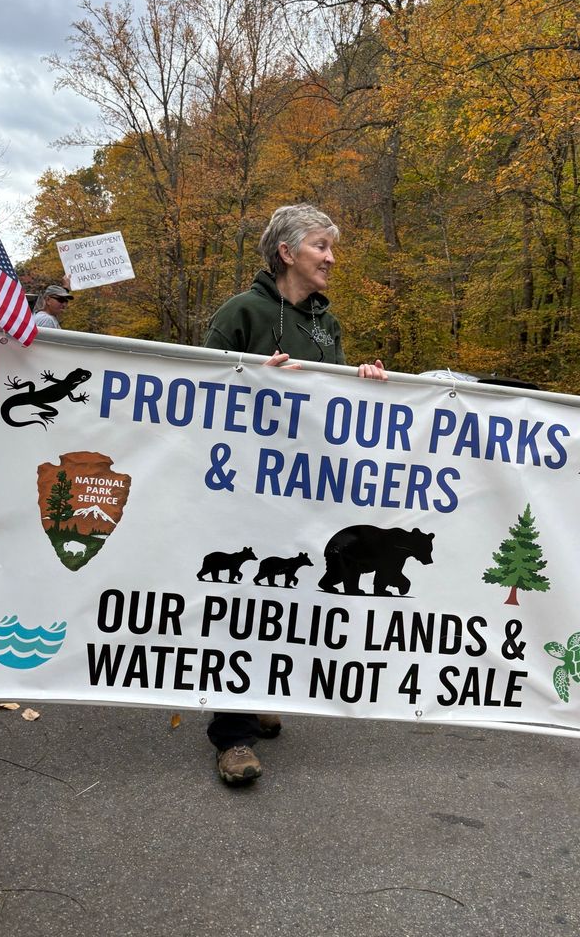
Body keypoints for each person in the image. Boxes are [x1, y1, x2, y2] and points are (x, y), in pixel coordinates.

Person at [202, 203, 385, 786]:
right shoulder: (241, 313)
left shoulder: (326, 325)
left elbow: (327, 407)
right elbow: (201, 391)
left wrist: (362, 383)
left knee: (284, 599)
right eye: (321, 247)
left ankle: (255, 692)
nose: (332, 258)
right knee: (240, 603)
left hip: (303, 491)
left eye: (332, 248)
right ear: (287, 253)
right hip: (244, 487)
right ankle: (229, 736)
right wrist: (253, 378)